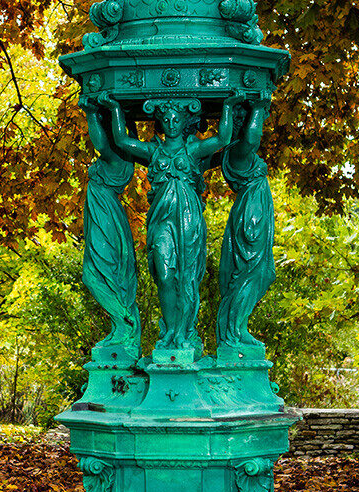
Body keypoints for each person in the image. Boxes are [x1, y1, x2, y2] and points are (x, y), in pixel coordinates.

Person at [99, 90, 244, 351]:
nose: (172, 123)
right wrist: (114, 108)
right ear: (161, 122)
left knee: (187, 277)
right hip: (161, 221)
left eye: (176, 118)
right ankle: (170, 331)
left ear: (184, 121)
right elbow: (121, 139)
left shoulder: (194, 150)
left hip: (188, 220)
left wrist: (229, 106)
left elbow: (223, 137)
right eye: (166, 119)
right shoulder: (153, 151)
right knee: (165, 275)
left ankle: (182, 334)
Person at [79, 95, 141, 354]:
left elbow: (101, 143)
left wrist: (91, 113)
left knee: (95, 274)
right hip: (104, 214)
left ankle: (124, 324)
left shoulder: (117, 157)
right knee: (99, 273)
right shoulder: (120, 155)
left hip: (106, 216)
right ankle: (122, 325)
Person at [216, 91, 275, 349]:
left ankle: (237, 327)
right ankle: (234, 331)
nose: (258, 132)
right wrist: (260, 106)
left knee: (262, 273)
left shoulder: (241, 154)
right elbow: (251, 139)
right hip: (251, 217)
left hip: (255, 212)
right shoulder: (238, 153)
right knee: (250, 271)